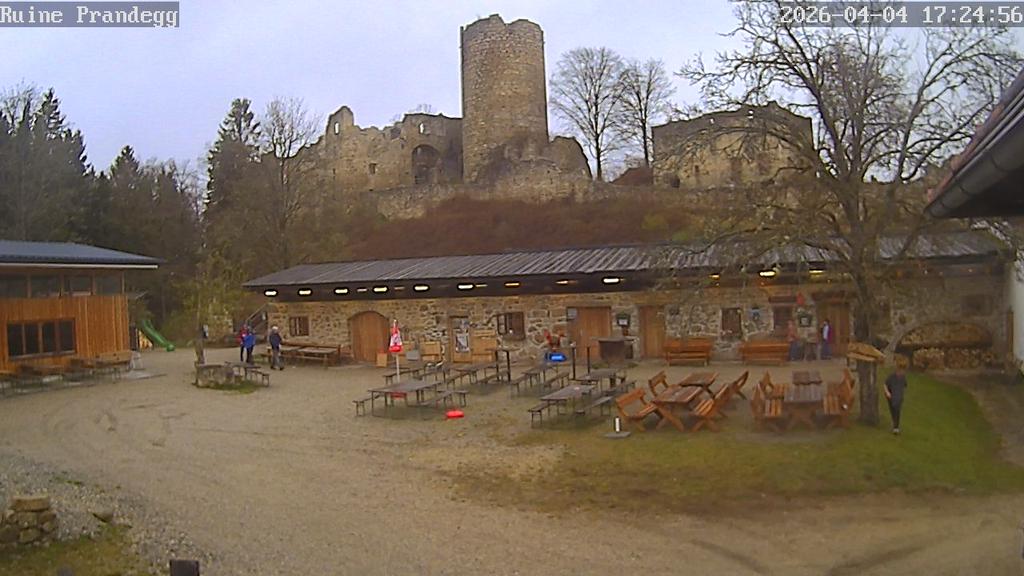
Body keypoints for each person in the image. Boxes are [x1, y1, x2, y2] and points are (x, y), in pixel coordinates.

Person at [884, 365, 908, 435]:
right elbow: (885, 384)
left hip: (898, 397)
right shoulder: (891, 377)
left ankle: (896, 427)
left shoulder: (903, 378)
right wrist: (887, 392)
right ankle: (895, 424)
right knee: (892, 410)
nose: (903, 372)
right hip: (891, 396)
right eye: (901, 371)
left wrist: (901, 394)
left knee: (897, 410)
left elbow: (905, 386)